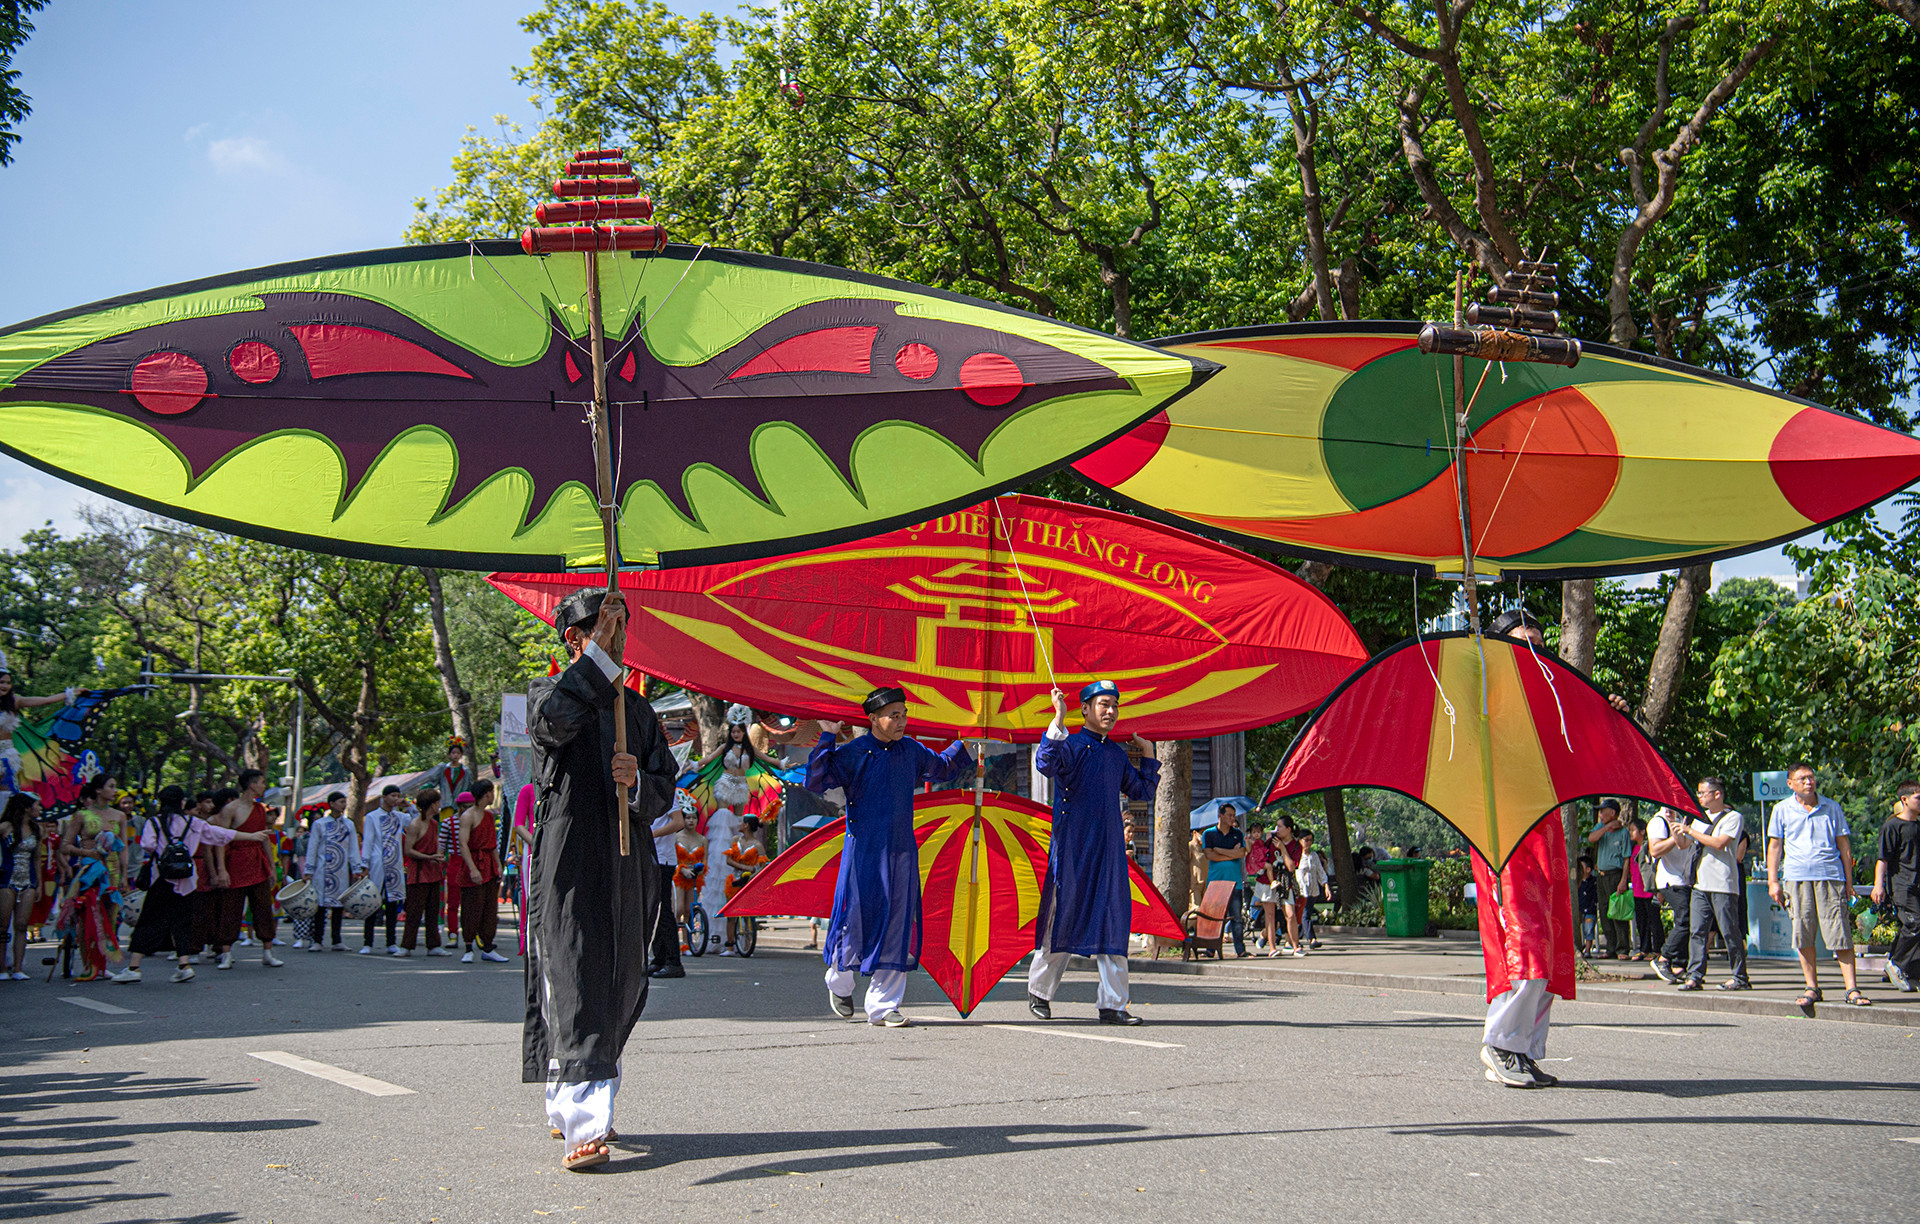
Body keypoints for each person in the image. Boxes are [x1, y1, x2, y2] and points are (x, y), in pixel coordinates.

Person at [524, 588, 677, 1172]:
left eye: (623, 628)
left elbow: (663, 787)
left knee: (621, 978)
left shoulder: (637, 712)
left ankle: (574, 1101)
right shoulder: (550, 694)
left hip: (627, 856)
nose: (618, 639)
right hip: (571, 855)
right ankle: (586, 1123)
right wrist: (599, 662)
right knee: (575, 971)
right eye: (604, 629)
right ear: (575, 639)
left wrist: (636, 783)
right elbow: (551, 726)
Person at [807, 684, 971, 1027]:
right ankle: (839, 982)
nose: (902, 721)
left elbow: (941, 767)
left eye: (904, 714)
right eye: (893, 715)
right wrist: (827, 736)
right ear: (873, 719)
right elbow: (818, 780)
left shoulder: (910, 749)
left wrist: (965, 742)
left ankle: (884, 1007)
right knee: (855, 922)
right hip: (863, 852)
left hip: (901, 853)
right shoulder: (854, 752)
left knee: (898, 924)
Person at [1474, 607, 1577, 1089]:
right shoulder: (1480, 700)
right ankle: (1499, 1043)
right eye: (1521, 642)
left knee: (1551, 944)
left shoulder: (1556, 700)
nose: (1533, 651)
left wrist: (1608, 715)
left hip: (1546, 832)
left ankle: (1525, 1051)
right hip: (1503, 832)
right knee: (1524, 941)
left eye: (1539, 641)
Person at [1027, 681, 1160, 1025]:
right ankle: (1039, 992)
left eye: (1114, 705)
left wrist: (1147, 754)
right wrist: (1058, 718)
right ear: (1084, 709)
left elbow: (1143, 791)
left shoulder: (1116, 754)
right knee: (1062, 921)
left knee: (1113, 923)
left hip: (1109, 854)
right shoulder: (1070, 745)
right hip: (1072, 849)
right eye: (1103, 704)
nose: (1110, 711)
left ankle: (1113, 1005)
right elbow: (1045, 763)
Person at [113, 785, 270, 984]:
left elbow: (148, 845)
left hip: (160, 878)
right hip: (187, 879)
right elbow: (220, 834)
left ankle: (134, 967)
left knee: (149, 921)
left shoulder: (154, 822)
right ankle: (183, 965)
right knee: (184, 921)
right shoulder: (193, 822)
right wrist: (251, 836)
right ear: (181, 802)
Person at [1767, 761, 1867, 1008]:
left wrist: (1849, 883)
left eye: (1811, 777)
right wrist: (1773, 882)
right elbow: (1775, 847)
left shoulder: (1831, 807)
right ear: (1790, 784)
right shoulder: (1781, 809)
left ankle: (1852, 988)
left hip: (1830, 877)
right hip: (1796, 877)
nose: (1808, 782)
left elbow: (1844, 847)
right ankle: (1812, 986)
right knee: (1803, 933)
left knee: (1840, 933)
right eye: (1802, 778)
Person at [1671, 778, 1749, 991]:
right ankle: (1694, 975)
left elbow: (1719, 843)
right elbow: (1684, 845)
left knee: (1729, 930)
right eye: (1698, 792)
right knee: (1697, 931)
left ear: (1717, 794)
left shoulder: (1733, 817)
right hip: (1700, 884)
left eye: (1703, 792)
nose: (1699, 796)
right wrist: (1677, 831)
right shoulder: (1698, 819)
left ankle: (1739, 976)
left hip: (1723, 883)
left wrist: (1689, 831)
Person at [211, 770, 284, 970]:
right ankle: (226, 953)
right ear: (251, 784)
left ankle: (267, 952)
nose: (264, 786)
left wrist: (270, 866)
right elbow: (221, 840)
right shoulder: (230, 809)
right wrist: (221, 869)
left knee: (263, 908)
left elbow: (265, 839)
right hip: (235, 861)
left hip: (257, 863)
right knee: (231, 908)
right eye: (262, 782)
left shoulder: (261, 809)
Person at [0, 661, 86, 797]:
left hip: (6, 754)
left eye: (8, 682)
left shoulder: (15, 701)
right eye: (2, 682)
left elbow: (46, 700)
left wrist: (72, 693)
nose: (5, 686)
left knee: (6, 794)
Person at [1871, 781, 1920, 992]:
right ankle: (1896, 964)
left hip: (1917, 885)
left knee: (1911, 927)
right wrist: (1878, 886)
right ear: (1905, 799)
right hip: (1902, 885)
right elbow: (1883, 859)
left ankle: (1910, 971)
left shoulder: (1918, 827)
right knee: (1914, 924)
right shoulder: (1892, 826)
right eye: (1918, 797)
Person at [1645, 805, 1699, 983]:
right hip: (1670, 880)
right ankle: (1663, 958)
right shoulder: (1658, 822)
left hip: (1687, 879)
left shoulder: (1682, 818)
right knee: (1686, 918)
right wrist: (1674, 836)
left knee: (1687, 921)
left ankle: (1679, 965)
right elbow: (1655, 850)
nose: (1671, 809)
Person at [302, 792, 363, 951]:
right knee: (320, 907)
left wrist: (356, 868)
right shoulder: (319, 824)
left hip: (341, 871)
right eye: (341, 802)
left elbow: (353, 848)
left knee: (338, 906)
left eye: (345, 802)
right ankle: (317, 940)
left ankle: (337, 940)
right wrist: (309, 869)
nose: (344, 805)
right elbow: (313, 848)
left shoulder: (349, 824)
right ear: (332, 804)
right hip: (322, 871)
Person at [456, 779, 507, 963]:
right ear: (486, 794)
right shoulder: (468, 816)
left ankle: (488, 946)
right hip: (474, 862)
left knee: (489, 908)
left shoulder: (489, 816)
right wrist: (472, 868)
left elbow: (493, 845)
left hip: (489, 864)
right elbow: (463, 844)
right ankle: (468, 946)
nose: (493, 796)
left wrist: (499, 865)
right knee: (471, 906)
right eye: (491, 792)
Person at [400, 787, 451, 957]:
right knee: (414, 911)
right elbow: (408, 850)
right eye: (437, 802)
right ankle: (406, 945)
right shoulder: (415, 824)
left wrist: (438, 856)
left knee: (433, 909)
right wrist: (428, 857)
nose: (439, 806)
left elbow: (435, 845)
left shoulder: (435, 824)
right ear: (431, 804)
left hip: (433, 871)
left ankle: (433, 944)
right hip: (419, 872)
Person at [359, 786, 409, 955]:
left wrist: (409, 806)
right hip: (377, 863)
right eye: (393, 796)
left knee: (392, 903)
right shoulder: (372, 817)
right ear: (384, 797)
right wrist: (364, 865)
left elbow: (416, 820)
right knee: (373, 903)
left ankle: (391, 942)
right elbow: (368, 841)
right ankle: (368, 942)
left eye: (398, 796)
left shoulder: (400, 816)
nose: (396, 799)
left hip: (394, 864)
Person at [648, 789, 692, 979]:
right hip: (651, 856)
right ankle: (659, 958)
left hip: (663, 859)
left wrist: (651, 834)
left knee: (664, 910)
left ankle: (674, 961)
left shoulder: (667, 792)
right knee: (653, 910)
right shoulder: (648, 789)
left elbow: (678, 822)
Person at [1201, 803, 1249, 958]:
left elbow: (1241, 853)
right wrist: (1231, 853)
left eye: (1233, 815)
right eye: (1229, 815)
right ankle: (1210, 948)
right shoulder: (1208, 834)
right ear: (1220, 816)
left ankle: (1240, 949)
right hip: (1215, 881)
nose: (1232, 818)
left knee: (1236, 917)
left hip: (1234, 881)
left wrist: (1220, 850)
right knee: (1214, 916)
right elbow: (1209, 855)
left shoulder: (1238, 834)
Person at [1585, 799, 1631, 958]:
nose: (1600, 814)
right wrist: (1606, 828)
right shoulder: (1601, 828)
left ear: (1612, 813)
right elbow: (1591, 838)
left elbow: (1626, 858)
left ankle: (1622, 948)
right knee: (1604, 911)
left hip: (1615, 874)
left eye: (1603, 811)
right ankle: (1610, 948)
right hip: (1602, 875)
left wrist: (1623, 880)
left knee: (1617, 911)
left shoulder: (1623, 832)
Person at [0, 794, 38, 978]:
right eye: (36, 805)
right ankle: (2, 967)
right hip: (7, 878)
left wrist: (37, 883)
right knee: (2, 925)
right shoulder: (5, 827)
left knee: (22, 924)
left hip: (28, 880)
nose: (39, 809)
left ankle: (18, 967)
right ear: (26, 807)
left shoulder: (35, 829)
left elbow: (37, 858)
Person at [721, 815, 767, 956]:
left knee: (747, 914)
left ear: (746, 825)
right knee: (731, 913)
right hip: (734, 879)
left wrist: (752, 872)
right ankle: (730, 946)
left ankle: (747, 945)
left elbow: (763, 865)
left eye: (742, 822)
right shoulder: (735, 840)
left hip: (749, 881)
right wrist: (743, 867)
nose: (739, 824)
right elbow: (728, 860)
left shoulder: (757, 845)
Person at [1626, 817, 1661, 960]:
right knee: (1641, 921)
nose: (1631, 833)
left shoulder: (1649, 846)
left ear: (1642, 831)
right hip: (1637, 890)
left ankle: (1657, 949)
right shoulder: (1634, 848)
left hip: (1649, 890)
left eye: (1633, 830)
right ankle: (1644, 949)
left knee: (1654, 920)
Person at [1295, 828, 1329, 952]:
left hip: (1313, 888)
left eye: (1311, 840)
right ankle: (1311, 939)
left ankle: (1296, 939)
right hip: (1302, 890)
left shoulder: (1314, 856)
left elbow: (1320, 871)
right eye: (1306, 840)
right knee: (1305, 915)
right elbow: (1298, 874)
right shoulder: (1297, 856)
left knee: (1305, 914)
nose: (1308, 843)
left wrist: (1326, 885)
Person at [425, 737, 473, 816]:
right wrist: (424, 788)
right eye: (453, 753)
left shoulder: (466, 771)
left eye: (458, 753)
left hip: (460, 806)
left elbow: (469, 787)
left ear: (461, 755)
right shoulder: (442, 769)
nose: (455, 755)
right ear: (449, 754)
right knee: (445, 825)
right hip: (445, 804)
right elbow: (433, 782)